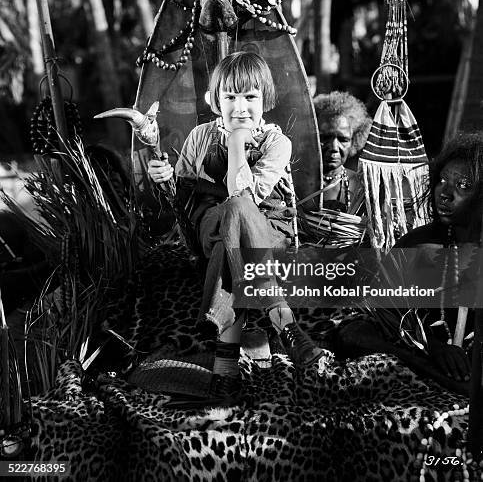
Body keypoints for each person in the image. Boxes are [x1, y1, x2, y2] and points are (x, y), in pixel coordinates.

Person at [148, 51, 324, 406]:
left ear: (265, 100)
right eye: (229, 96)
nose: (240, 106)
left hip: (268, 231)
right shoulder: (199, 137)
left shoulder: (277, 143)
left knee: (238, 216)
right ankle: (283, 319)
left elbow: (245, 194)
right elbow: (181, 198)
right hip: (210, 227)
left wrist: (237, 140)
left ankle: (223, 371)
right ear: (214, 102)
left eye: (249, 96)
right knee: (229, 215)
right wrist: (163, 179)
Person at [336, 132, 483, 390]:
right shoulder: (417, 244)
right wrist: (431, 348)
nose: (445, 194)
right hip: (418, 365)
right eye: (442, 181)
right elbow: (368, 320)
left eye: (463, 185)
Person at [313, 91, 371, 213]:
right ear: (311, 137)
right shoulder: (296, 182)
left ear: (354, 140)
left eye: (343, 140)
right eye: (325, 138)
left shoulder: (360, 186)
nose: (334, 147)